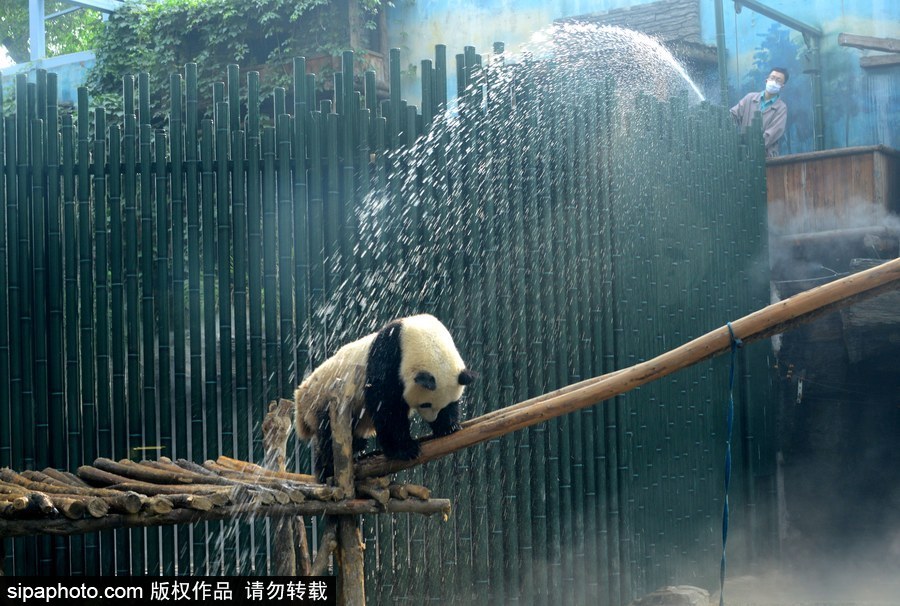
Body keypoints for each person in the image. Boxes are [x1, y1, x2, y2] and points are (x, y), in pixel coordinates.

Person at [730, 67, 789, 158]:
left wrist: (750, 147)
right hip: (742, 156)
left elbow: (771, 134)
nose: (774, 82)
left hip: (765, 158)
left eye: (778, 80)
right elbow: (733, 115)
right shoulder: (750, 98)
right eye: (772, 78)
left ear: (782, 86)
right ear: (766, 80)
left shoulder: (781, 108)